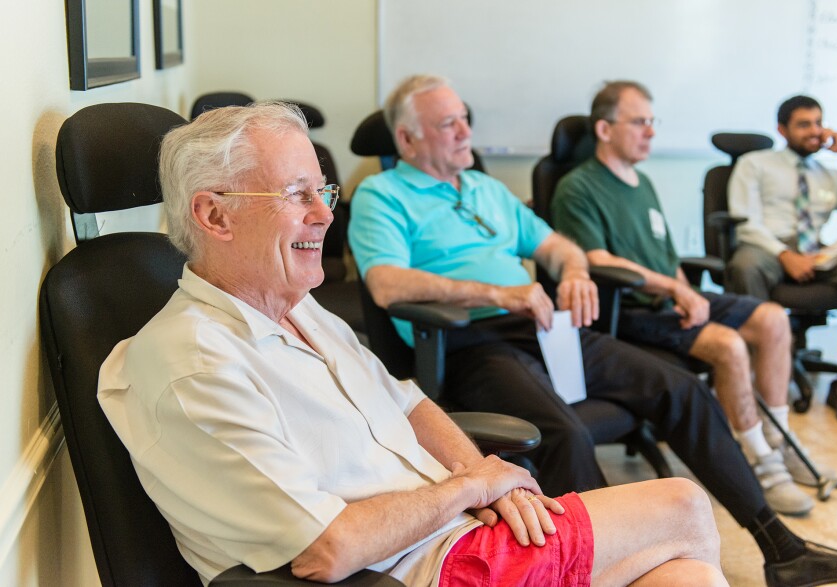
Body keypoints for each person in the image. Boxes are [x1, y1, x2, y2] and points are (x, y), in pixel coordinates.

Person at [97, 101, 729, 586]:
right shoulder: (194, 367)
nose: (324, 214)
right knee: (683, 508)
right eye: (296, 195)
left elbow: (406, 402)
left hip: (451, 535)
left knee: (680, 573)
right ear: (215, 216)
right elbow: (326, 549)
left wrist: (485, 474)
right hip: (416, 571)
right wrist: (468, 489)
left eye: (322, 190)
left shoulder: (299, 308)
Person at [348, 74, 837, 587]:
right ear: (407, 138)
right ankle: (618, 568)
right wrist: (498, 293)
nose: (466, 131)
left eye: (465, 118)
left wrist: (575, 272)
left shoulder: (485, 188)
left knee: (682, 388)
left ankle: (784, 551)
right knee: (566, 434)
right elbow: (387, 283)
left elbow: (556, 245)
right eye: (448, 124)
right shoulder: (383, 194)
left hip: (541, 326)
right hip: (467, 340)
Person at [550, 80, 836, 517]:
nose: (650, 132)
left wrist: (686, 289)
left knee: (773, 319)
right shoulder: (578, 187)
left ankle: (779, 444)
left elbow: (666, 257)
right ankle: (760, 464)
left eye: (652, 121)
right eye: (640, 122)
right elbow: (595, 259)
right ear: (605, 129)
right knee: (728, 345)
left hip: (667, 298)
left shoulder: (641, 181)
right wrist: (675, 290)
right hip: (627, 309)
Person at [726, 94, 837, 428]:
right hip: (767, 247)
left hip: (816, 250)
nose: (814, 131)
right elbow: (745, 221)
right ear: (782, 129)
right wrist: (784, 254)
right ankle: (755, 374)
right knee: (744, 265)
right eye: (804, 124)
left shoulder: (827, 173)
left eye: (818, 123)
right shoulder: (755, 163)